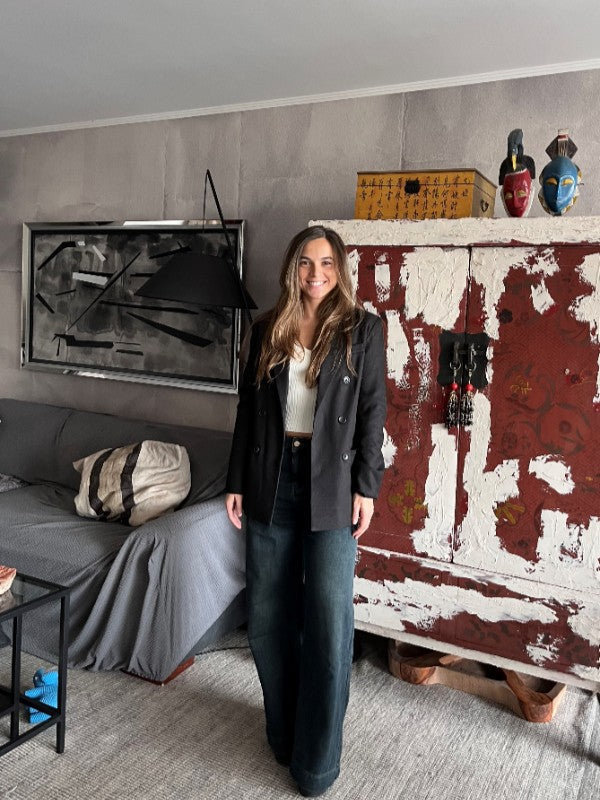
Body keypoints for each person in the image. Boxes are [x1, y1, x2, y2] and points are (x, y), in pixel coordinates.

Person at [225, 225, 386, 797]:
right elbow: (247, 409)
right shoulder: (268, 327)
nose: (315, 274)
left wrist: (367, 486)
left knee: (328, 623)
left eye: (326, 263)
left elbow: (373, 411)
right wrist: (236, 481)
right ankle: (284, 733)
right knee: (267, 617)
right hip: (270, 477)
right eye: (304, 263)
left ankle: (316, 765)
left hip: (332, 484)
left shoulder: (363, 329)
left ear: (340, 269)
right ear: (291, 268)